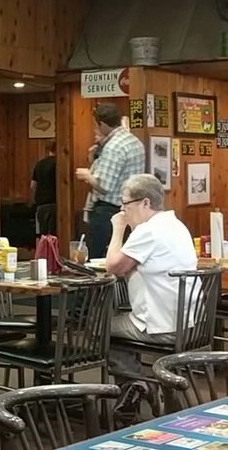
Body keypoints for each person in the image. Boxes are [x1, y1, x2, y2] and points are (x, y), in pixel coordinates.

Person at [106, 173, 197, 358]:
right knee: (117, 319)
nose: (122, 210)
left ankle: (134, 383)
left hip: (163, 327)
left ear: (145, 203)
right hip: (189, 323)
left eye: (126, 204)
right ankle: (138, 381)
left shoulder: (149, 230)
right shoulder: (176, 225)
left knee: (99, 325)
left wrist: (118, 228)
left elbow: (113, 267)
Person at [75, 104, 144, 257]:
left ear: (104, 124)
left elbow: (104, 186)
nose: (96, 129)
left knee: (97, 259)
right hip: (132, 207)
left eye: (96, 125)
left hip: (108, 211)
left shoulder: (113, 146)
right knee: (125, 255)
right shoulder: (135, 142)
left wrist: (87, 175)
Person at [30, 141, 56, 236]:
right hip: (54, 204)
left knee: (43, 236)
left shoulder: (39, 164)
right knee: (53, 236)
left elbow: (32, 185)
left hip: (41, 205)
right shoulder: (59, 163)